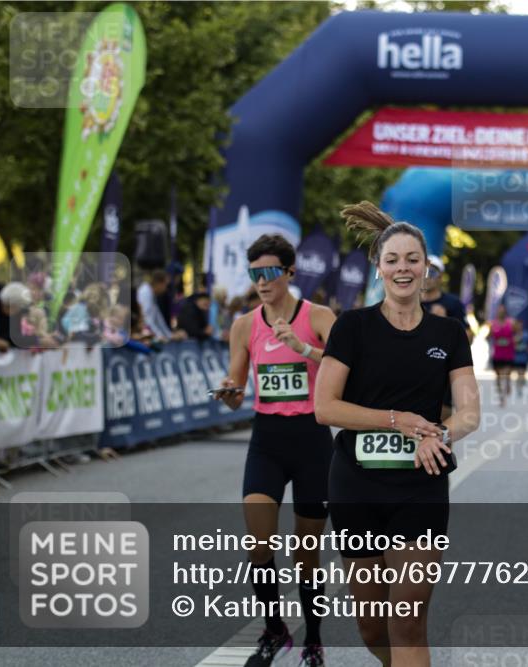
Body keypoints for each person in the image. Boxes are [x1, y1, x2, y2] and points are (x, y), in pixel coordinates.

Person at [314, 201, 480, 666]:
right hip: (356, 486)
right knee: (372, 625)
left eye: (412, 260)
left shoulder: (449, 333)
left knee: (407, 620)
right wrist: (398, 420)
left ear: (426, 268)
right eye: (393, 260)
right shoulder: (352, 327)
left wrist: (438, 436)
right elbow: (325, 407)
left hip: (419, 486)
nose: (403, 269)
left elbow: (469, 412)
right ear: (378, 267)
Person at [215, 234, 337, 667]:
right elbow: (237, 385)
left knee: (307, 555)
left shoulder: (318, 316)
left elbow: (349, 368)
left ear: (289, 272)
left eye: (270, 273)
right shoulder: (245, 325)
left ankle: (314, 641)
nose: (262, 282)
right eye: (255, 274)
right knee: (258, 544)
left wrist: (301, 348)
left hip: (311, 441)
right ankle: (274, 629)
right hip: (267, 439)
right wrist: (228, 392)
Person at [422, 254, 471, 420]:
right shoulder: (408, 301)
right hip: (413, 366)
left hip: (442, 368)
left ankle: (445, 447)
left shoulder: (452, 303)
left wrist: (446, 322)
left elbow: (468, 337)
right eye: (424, 271)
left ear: (440, 277)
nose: (427, 276)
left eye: (432, 272)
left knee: (442, 422)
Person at [136, 269, 185, 343]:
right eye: (165, 285)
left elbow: (158, 317)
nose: (165, 289)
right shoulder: (145, 292)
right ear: (159, 283)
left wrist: (169, 335)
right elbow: (147, 318)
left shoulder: (151, 293)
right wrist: (159, 335)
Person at [488, 303, 518, 407]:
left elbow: (519, 333)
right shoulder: (493, 324)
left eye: (502, 310)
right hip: (497, 354)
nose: (501, 312)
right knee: (498, 377)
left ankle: (503, 398)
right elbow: (489, 336)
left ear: (505, 312)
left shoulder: (511, 323)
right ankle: (502, 393)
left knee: (505, 374)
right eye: (499, 310)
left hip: (508, 353)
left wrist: (515, 340)